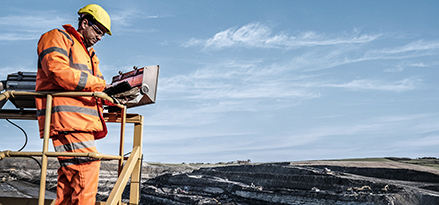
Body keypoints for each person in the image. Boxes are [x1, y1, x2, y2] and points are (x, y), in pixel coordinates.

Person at [35, 4, 112, 205]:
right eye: (98, 31)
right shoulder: (57, 37)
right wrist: (102, 85)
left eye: (103, 34)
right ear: (84, 23)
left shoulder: (91, 55)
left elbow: (98, 88)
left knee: (69, 186)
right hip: (67, 121)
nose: (100, 37)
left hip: (81, 123)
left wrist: (114, 95)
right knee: (86, 172)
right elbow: (57, 71)